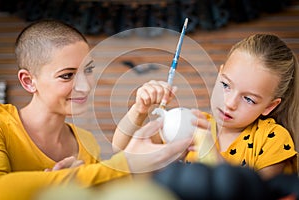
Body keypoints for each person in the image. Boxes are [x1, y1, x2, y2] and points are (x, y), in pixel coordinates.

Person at [0, 19, 192, 200]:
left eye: (88, 70)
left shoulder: (86, 143)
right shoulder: (2, 125)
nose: (84, 86)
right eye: (67, 76)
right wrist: (124, 165)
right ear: (28, 81)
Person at [113, 33, 299, 180]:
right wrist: (139, 110)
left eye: (248, 99)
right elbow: (123, 152)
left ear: (269, 106)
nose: (229, 103)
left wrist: (211, 154)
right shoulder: (194, 124)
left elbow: (253, 193)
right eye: (226, 85)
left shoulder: (272, 140)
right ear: (219, 75)